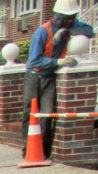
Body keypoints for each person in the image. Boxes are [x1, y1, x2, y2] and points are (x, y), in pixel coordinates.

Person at [22, 0, 94, 158]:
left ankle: (45, 151)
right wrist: (60, 62)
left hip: (49, 77)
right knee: (31, 113)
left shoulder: (68, 26)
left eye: (73, 18)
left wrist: (64, 29)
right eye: (68, 18)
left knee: (47, 115)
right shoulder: (42, 32)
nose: (71, 21)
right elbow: (34, 61)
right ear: (58, 16)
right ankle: (28, 150)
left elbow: (90, 31)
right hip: (34, 76)